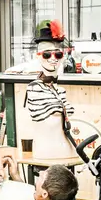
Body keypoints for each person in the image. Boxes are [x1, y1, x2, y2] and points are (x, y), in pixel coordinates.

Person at [25, 20, 76, 159]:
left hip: (67, 150)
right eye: (47, 54)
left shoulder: (59, 90)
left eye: (58, 54)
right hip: (47, 152)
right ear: (39, 56)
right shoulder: (34, 89)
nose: (53, 59)